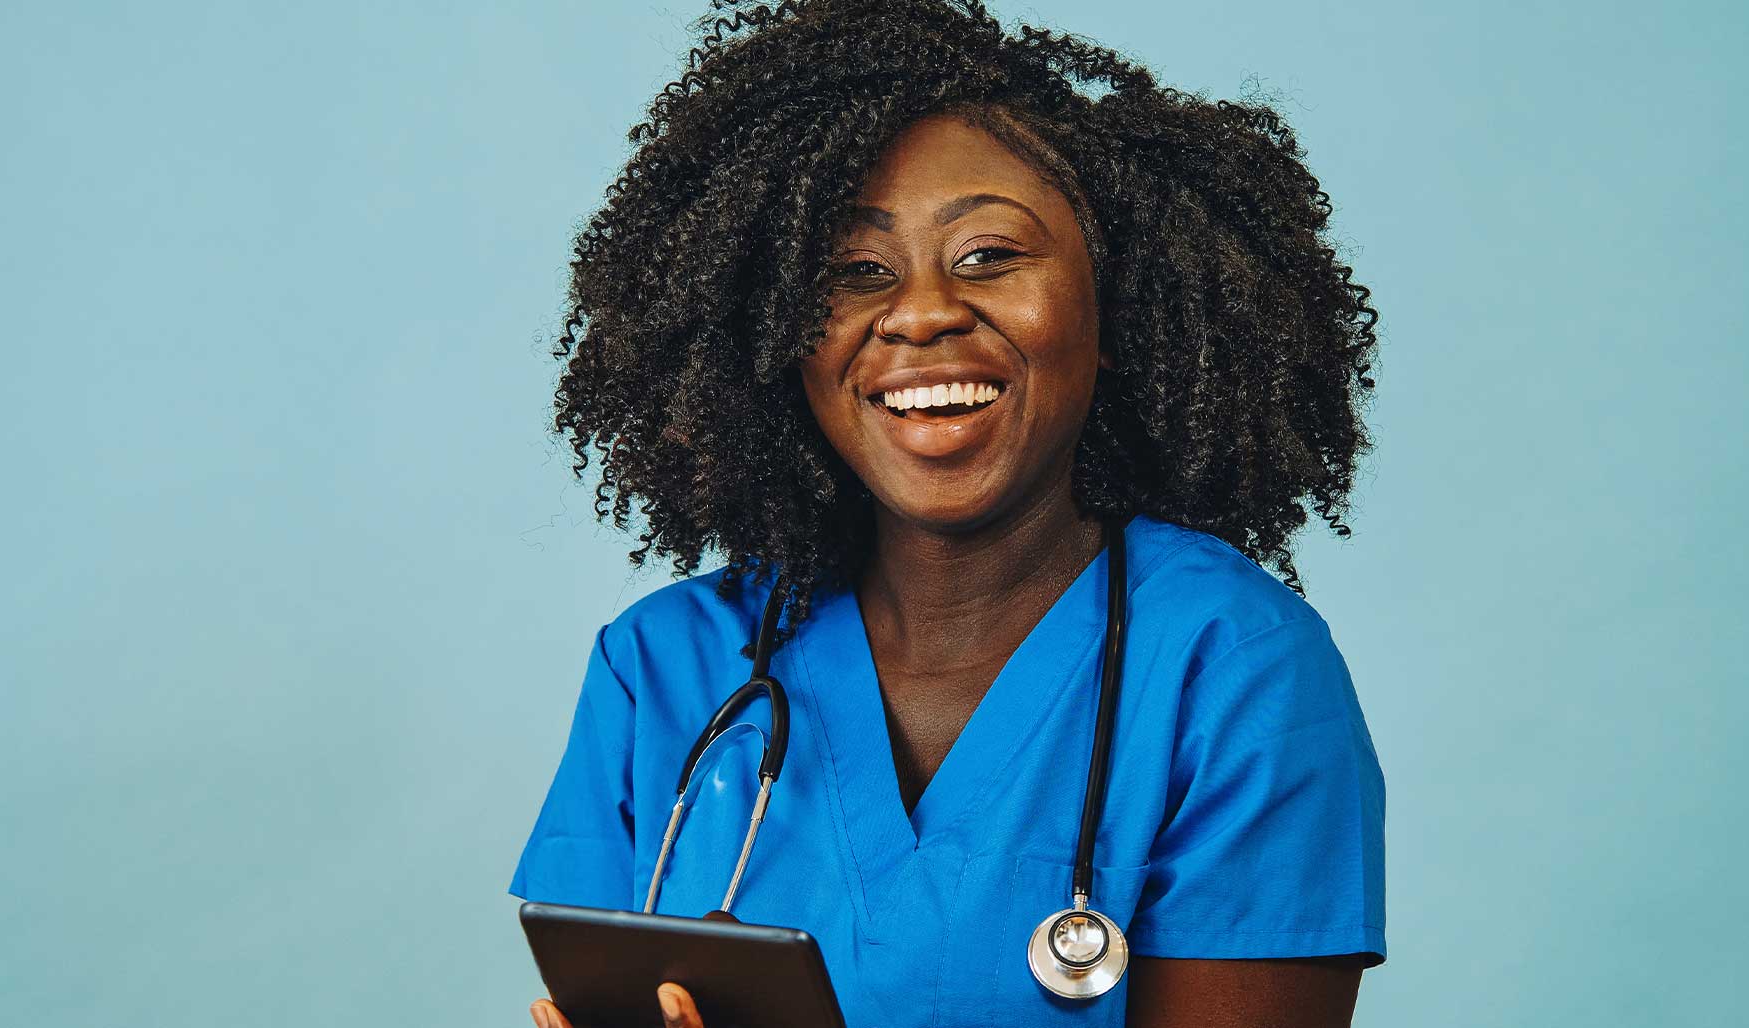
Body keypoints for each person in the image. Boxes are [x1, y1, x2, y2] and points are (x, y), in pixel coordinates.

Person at [510, 2, 1385, 1025]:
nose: (921, 312)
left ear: (1118, 312)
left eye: (989, 256)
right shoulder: (662, 670)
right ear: (777, 334)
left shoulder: (1233, 668)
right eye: (856, 272)